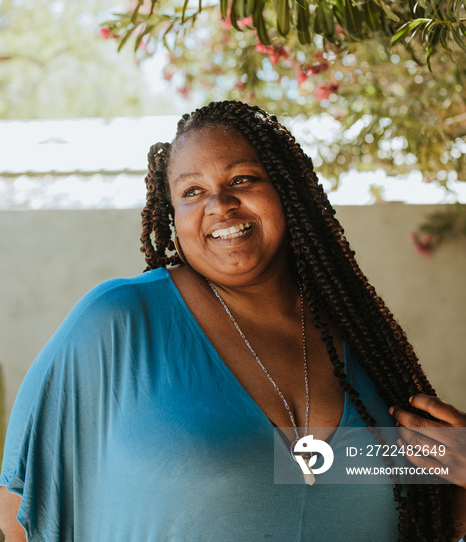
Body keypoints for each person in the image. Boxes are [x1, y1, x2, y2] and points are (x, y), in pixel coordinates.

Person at [0, 100, 465, 541]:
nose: (219, 204)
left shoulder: (364, 343)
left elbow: (428, 522)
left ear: (287, 190)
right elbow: (20, 515)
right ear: (173, 214)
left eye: (242, 179)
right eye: (192, 191)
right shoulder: (117, 324)